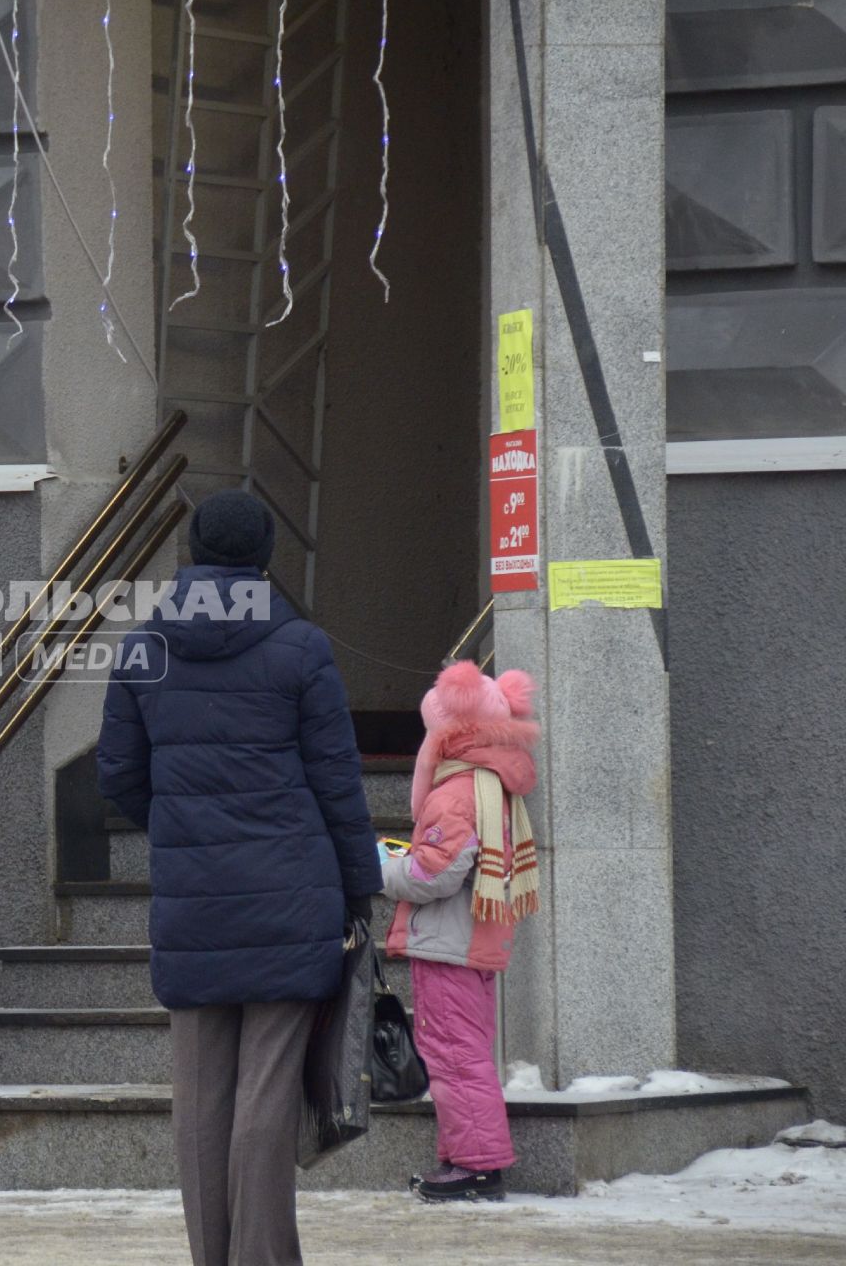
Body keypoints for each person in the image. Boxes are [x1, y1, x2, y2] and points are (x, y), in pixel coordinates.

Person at [95, 490, 381, 1266]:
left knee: (200, 1094)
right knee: (268, 1089)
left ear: (190, 553)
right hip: (293, 890)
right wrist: (360, 886)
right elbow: (336, 784)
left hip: (194, 900)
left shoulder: (144, 645)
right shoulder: (300, 647)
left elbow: (117, 770)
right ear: (263, 559)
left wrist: (179, 826)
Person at [383, 661, 541, 1203]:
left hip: (449, 945)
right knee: (462, 1049)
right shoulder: (490, 782)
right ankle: (463, 1157)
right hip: (472, 941)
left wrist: (379, 868)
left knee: (453, 1054)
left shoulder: (455, 791)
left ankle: (476, 1166)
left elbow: (434, 873)